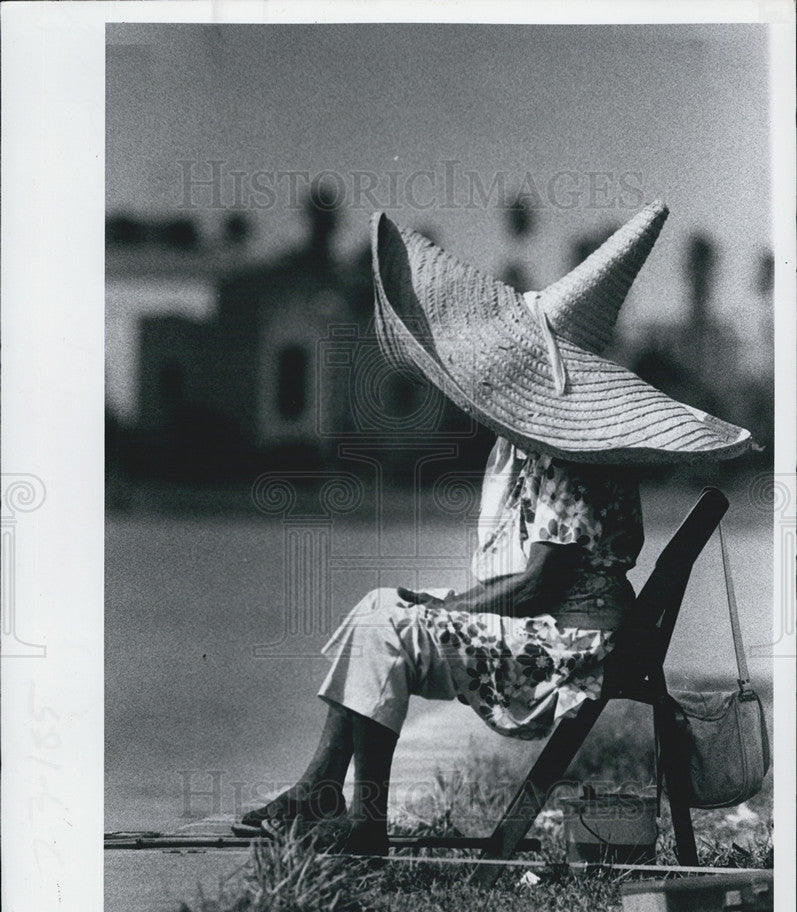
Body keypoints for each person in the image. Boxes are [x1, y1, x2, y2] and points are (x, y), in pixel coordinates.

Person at [232, 201, 754, 853]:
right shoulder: (551, 447)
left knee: (386, 619)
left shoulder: (572, 454)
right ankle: (319, 786)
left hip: (569, 650)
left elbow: (540, 580)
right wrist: (434, 604)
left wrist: (440, 604)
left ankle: (362, 819)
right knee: (380, 611)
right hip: (566, 631)